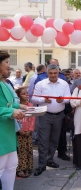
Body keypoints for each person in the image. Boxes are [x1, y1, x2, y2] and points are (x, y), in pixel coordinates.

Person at [31, 64, 71, 176]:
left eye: (55, 73)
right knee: (43, 140)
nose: (53, 75)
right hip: (44, 115)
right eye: (51, 73)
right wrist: (44, 99)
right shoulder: (40, 84)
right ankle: (41, 165)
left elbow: (68, 98)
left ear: (58, 73)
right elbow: (33, 99)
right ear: (47, 73)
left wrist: (62, 100)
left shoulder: (64, 84)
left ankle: (50, 160)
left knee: (54, 139)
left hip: (59, 115)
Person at [0, 50, 26, 190]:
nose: (9, 66)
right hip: (1, 133)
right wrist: (12, 111)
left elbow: (7, 104)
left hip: (8, 131)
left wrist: (21, 106)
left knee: (11, 166)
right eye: (7, 62)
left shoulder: (3, 83)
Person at [16, 87, 35, 178]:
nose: (26, 95)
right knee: (21, 151)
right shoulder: (16, 106)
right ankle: (20, 169)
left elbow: (32, 119)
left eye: (27, 93)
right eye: (24, 93)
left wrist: (30, 129)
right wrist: (19, 130)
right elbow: (14, 120)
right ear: (18, 95)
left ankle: (28, 167)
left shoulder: (30, 105)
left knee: (28, 150)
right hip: (19, 132)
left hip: (28, 132)